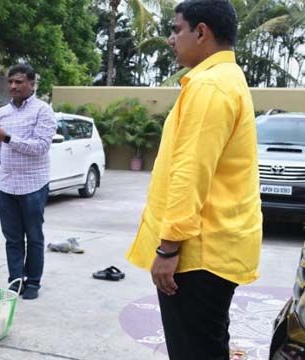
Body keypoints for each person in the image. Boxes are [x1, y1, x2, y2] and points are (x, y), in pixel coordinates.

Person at [125, 1, 262, 359]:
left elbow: (190, 173)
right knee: (207, 345)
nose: (171, 40)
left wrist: (168, 248)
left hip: (198, 253)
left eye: (176, 30)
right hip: (212, 248)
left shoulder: (210, 87)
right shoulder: (225, 79)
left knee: (194, 351)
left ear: (201, 32)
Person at [0, 64, 57, 300]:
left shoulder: (43, 111)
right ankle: (16, 280)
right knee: (12, 238)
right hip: (6, 185)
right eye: (11, 81)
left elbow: (40, 148)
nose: (13, 86)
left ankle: (33, 282)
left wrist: (8, 138)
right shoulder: (1, 114)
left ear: (32, 84)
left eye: (19, 82)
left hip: (33, 184)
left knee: (33, 236)